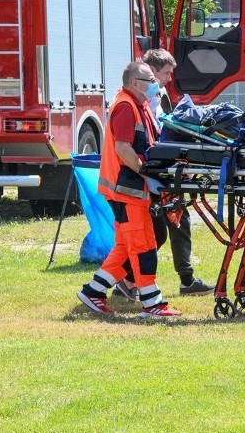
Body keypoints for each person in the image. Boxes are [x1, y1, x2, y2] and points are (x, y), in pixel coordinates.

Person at [76, 61, 181, 318]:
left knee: (125, 247)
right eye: (149, 79)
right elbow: (124, 149)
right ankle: (152, 303)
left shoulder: (137, 104)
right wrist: (146, 172)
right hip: (127, 190)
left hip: (130, 189)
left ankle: (93, 292)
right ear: (135, 83)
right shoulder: (125, 106)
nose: (155, 83)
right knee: (144, 245)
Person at [112, 49, 214, 300]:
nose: (169, 79)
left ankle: (131, 284)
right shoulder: (131, 104)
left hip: (152, 174)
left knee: (165, 229)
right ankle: (128, 285)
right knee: (151, 236)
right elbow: (125, 147)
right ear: (150, 73)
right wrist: (147, 173)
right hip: (136, 180)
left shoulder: (151, 99)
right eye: (165, 73)